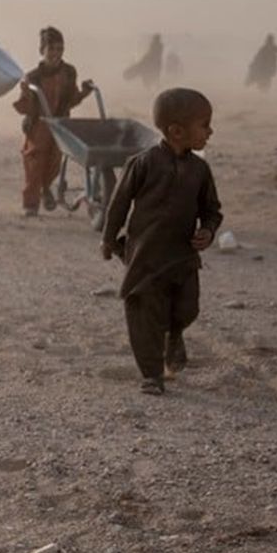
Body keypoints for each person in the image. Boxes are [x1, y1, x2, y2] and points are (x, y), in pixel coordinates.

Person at [100, 88, 223, 396]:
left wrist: (208, 231)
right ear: (177, 131)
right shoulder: (142, 164)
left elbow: (212, 210)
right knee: (144, 314)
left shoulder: (200, 170)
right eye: (204, 125)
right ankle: (152, 374)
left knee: (186, 308)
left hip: (182, 257)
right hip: (146, 256)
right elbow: (119, 203)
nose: (210, 131)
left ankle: (175, 335)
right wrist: (108, 238)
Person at [13, 27, 91, 217]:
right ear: (42, 50)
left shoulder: (69, 72)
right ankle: (31, 204)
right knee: (34, 162)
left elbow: (71, 99)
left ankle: (46, 188)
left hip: (61, 124)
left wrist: (84, 93)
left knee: (54, 162)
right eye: (51, 49)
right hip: (39, 125)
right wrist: (25, 94)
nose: (56, 54)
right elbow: (26, 106)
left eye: (59, 49)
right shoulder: (33, 77)